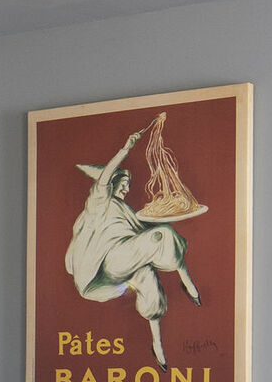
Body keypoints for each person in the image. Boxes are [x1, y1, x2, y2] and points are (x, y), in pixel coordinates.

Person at [65, 128, 201, 365]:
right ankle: (185, 279)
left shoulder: (127, 210)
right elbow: (104, 178)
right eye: (124, 183)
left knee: (149, 277)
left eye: (128, 184)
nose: (127, 189)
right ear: (112, 184)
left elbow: (145, 229)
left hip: (127, 259)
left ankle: (157, 344)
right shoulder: (100, 203)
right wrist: (125, 149)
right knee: (162, 235)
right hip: (112, 261)